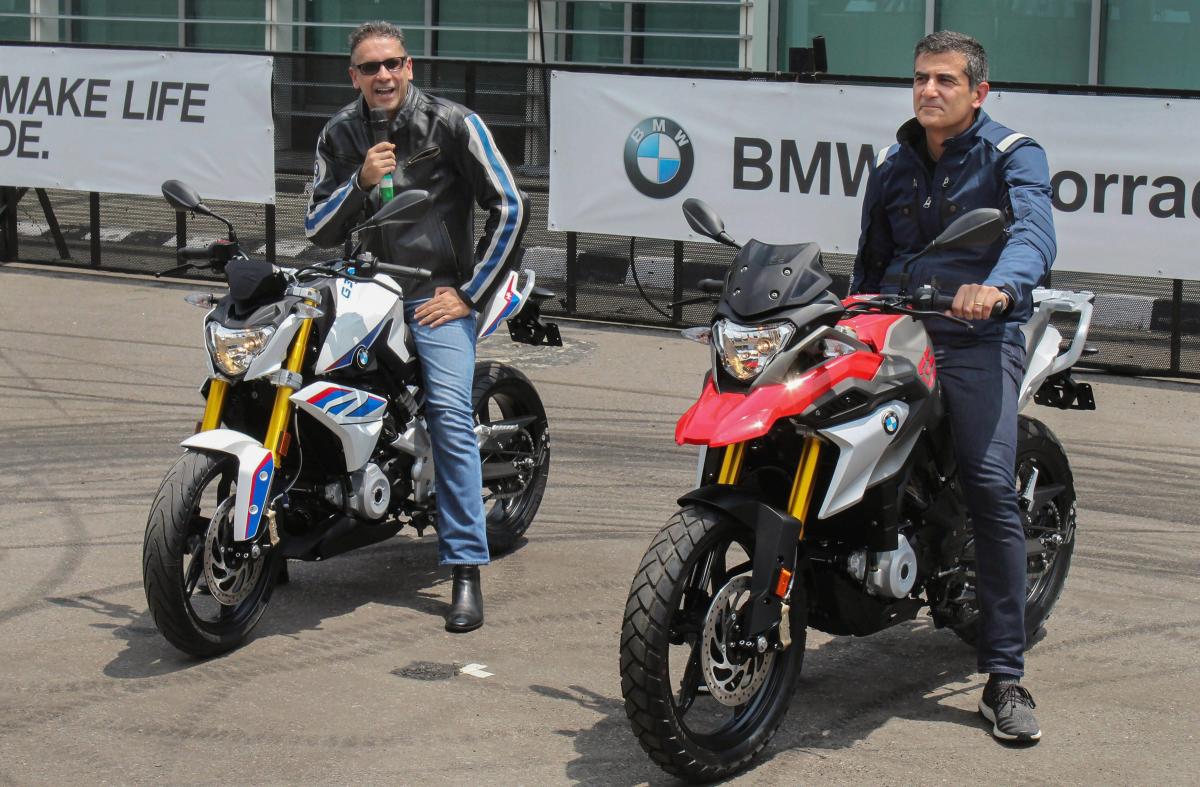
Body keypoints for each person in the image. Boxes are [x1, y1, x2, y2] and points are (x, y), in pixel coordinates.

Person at [852, 31, 1056, 742]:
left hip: (976, 333)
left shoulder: (1013, 155)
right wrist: (849, 315)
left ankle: (1004, 676)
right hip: (897, 326)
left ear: (978, 91)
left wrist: (997, 289)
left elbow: (1033, 235)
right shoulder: (894, 163)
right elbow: (872, 258)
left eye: (945, 79)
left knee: (989, 486)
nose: (929, 90)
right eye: (920, 78)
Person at [305, 20, 528, 633]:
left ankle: (465, 565)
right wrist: (361, 182)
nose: (383, 75)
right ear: (353, 76)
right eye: (370, 67)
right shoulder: (339, 133)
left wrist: (470, 293)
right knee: (298, 379)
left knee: (450, 416)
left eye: (393, 63)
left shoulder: (452, 123)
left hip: (435, 292)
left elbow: (511, 205)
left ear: (409, 67)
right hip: (360, 286)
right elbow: (317, 228)